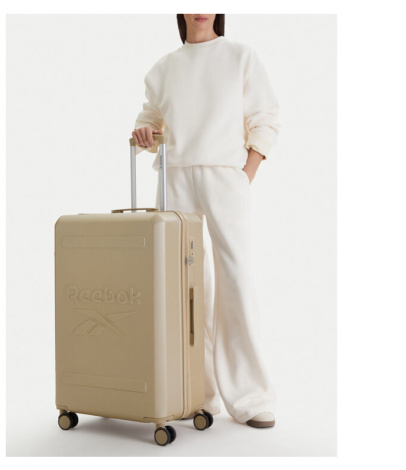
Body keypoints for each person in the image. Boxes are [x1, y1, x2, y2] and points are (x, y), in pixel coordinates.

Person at [131, 14, 280, 428]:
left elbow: (266, 118)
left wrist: (244, 175)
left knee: (236, 281)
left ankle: (251, 397)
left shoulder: (240, 57)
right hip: (175, 179)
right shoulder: (163, 68)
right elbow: (149, 121)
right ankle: (196, 393)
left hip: (224, 177)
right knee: (184, 288)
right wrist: (144, 133)